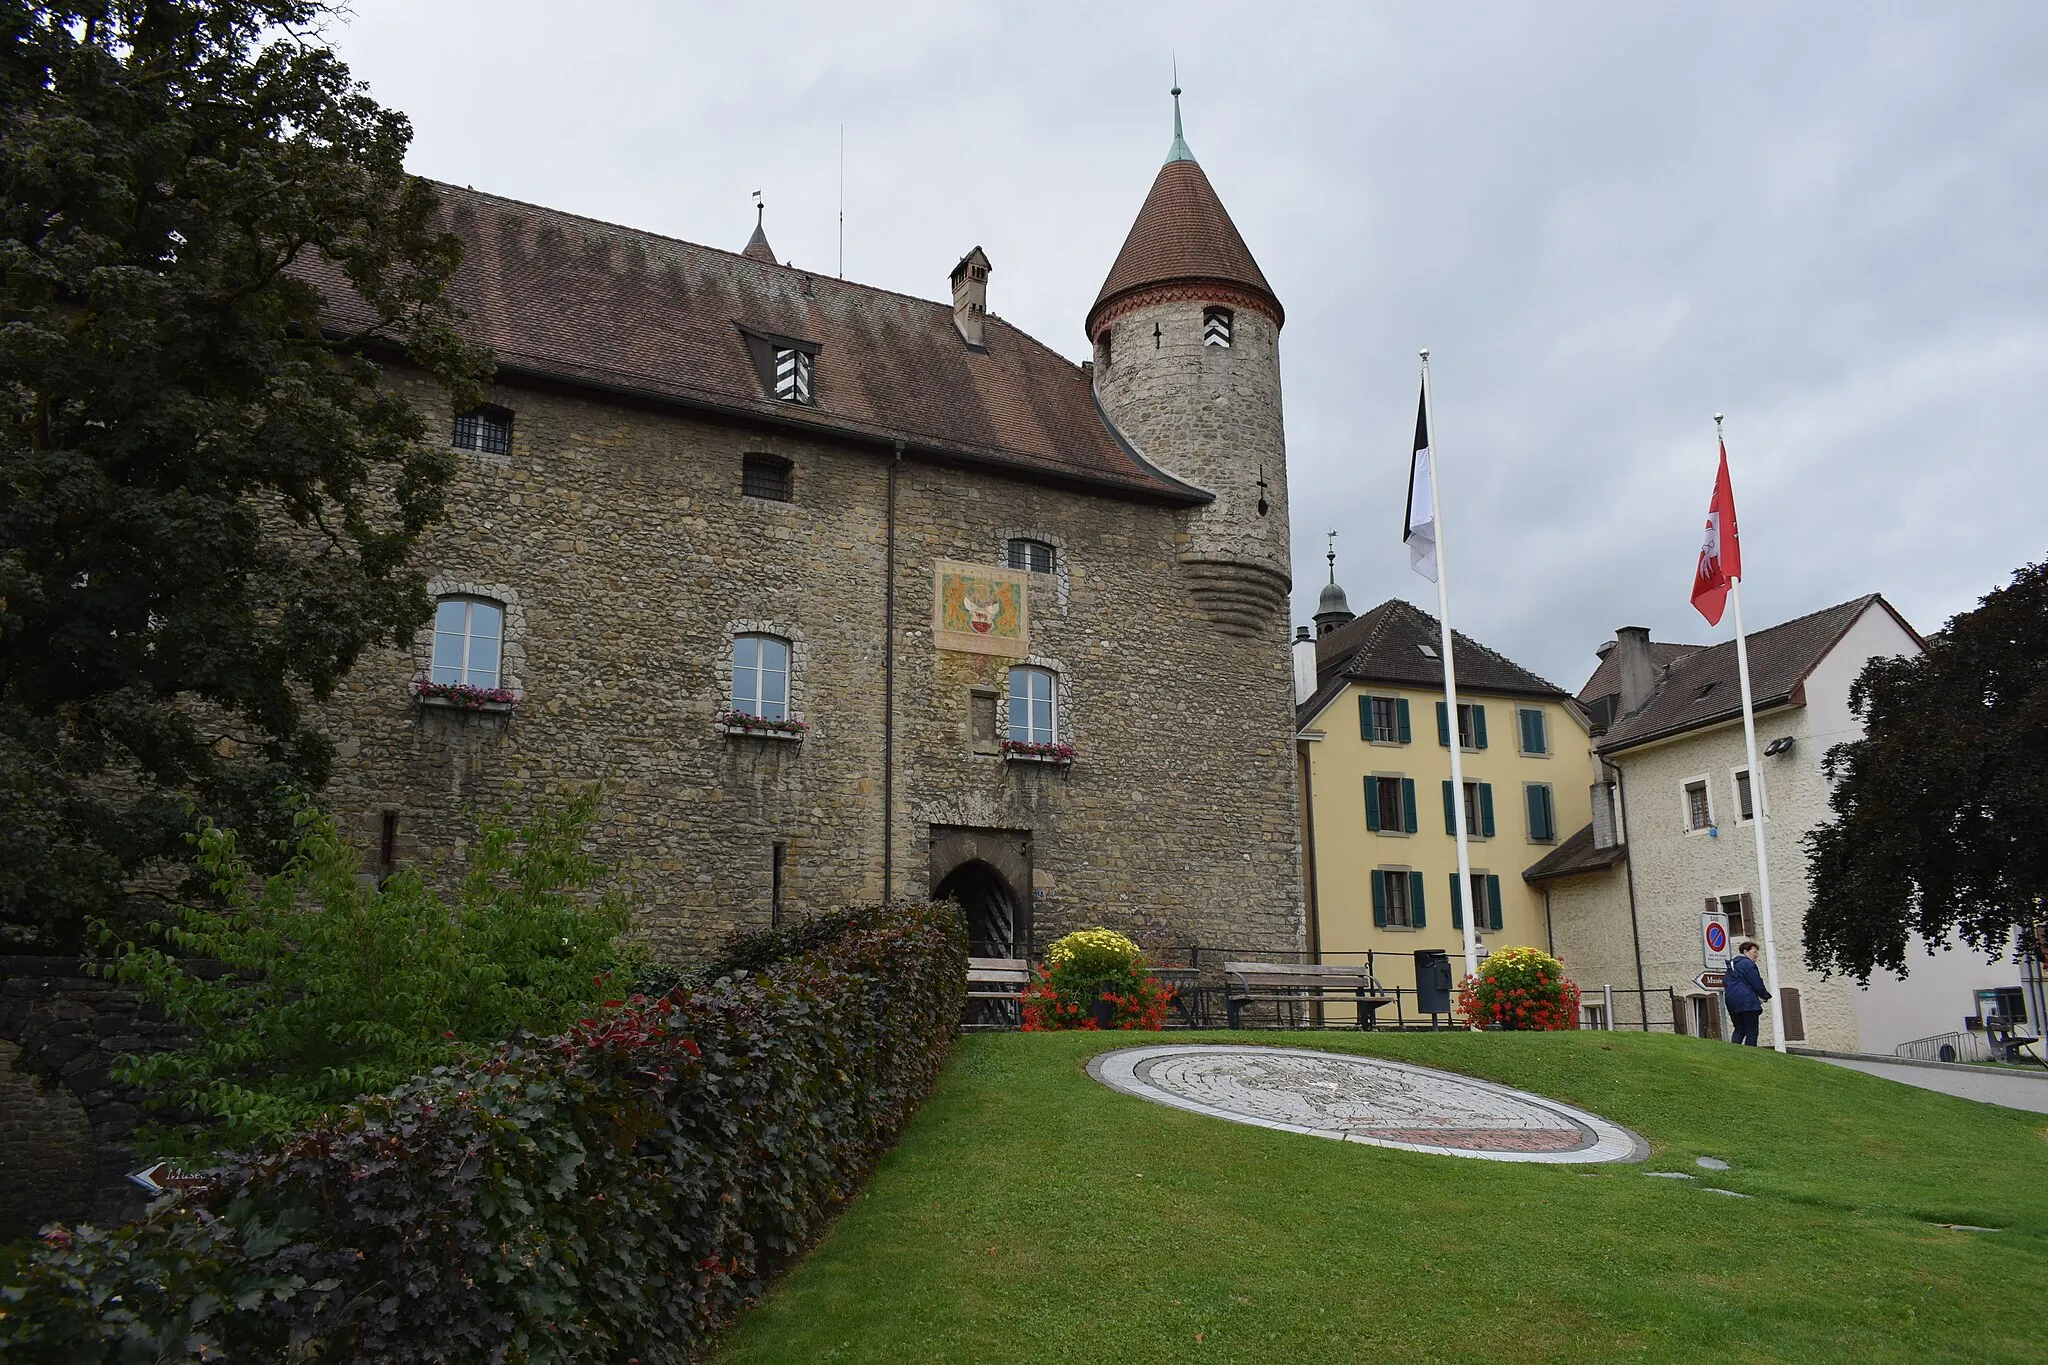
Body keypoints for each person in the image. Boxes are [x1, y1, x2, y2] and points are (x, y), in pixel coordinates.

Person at [1723, 940, 1771, 1046]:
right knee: (1752, 1031)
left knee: (1739, 1029)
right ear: (1746, 952)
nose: (1756, 954)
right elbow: (1756, 982)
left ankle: (1734, 1052)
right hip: (1748, 1002)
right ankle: (1751, 1055)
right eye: (1754, 951)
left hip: (1732, 1002)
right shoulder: (1748, 963)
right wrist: (1765, 995)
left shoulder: (1731, 967)